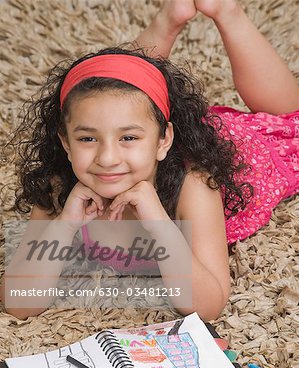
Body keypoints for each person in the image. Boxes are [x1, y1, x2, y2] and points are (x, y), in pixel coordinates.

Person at [1, 0, 298, 321]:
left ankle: (228, 12)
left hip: (245, 151)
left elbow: (209, 306)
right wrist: (63, 226)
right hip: (150, 125)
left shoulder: (196, 183)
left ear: (163, 141)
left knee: (290, 121)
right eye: (87, 138)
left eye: (128, 138)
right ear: (66, 143)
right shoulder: (59, 186)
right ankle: (170, 17)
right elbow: (18, 304)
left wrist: (160, 223)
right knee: (122, 92)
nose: (108, 158)